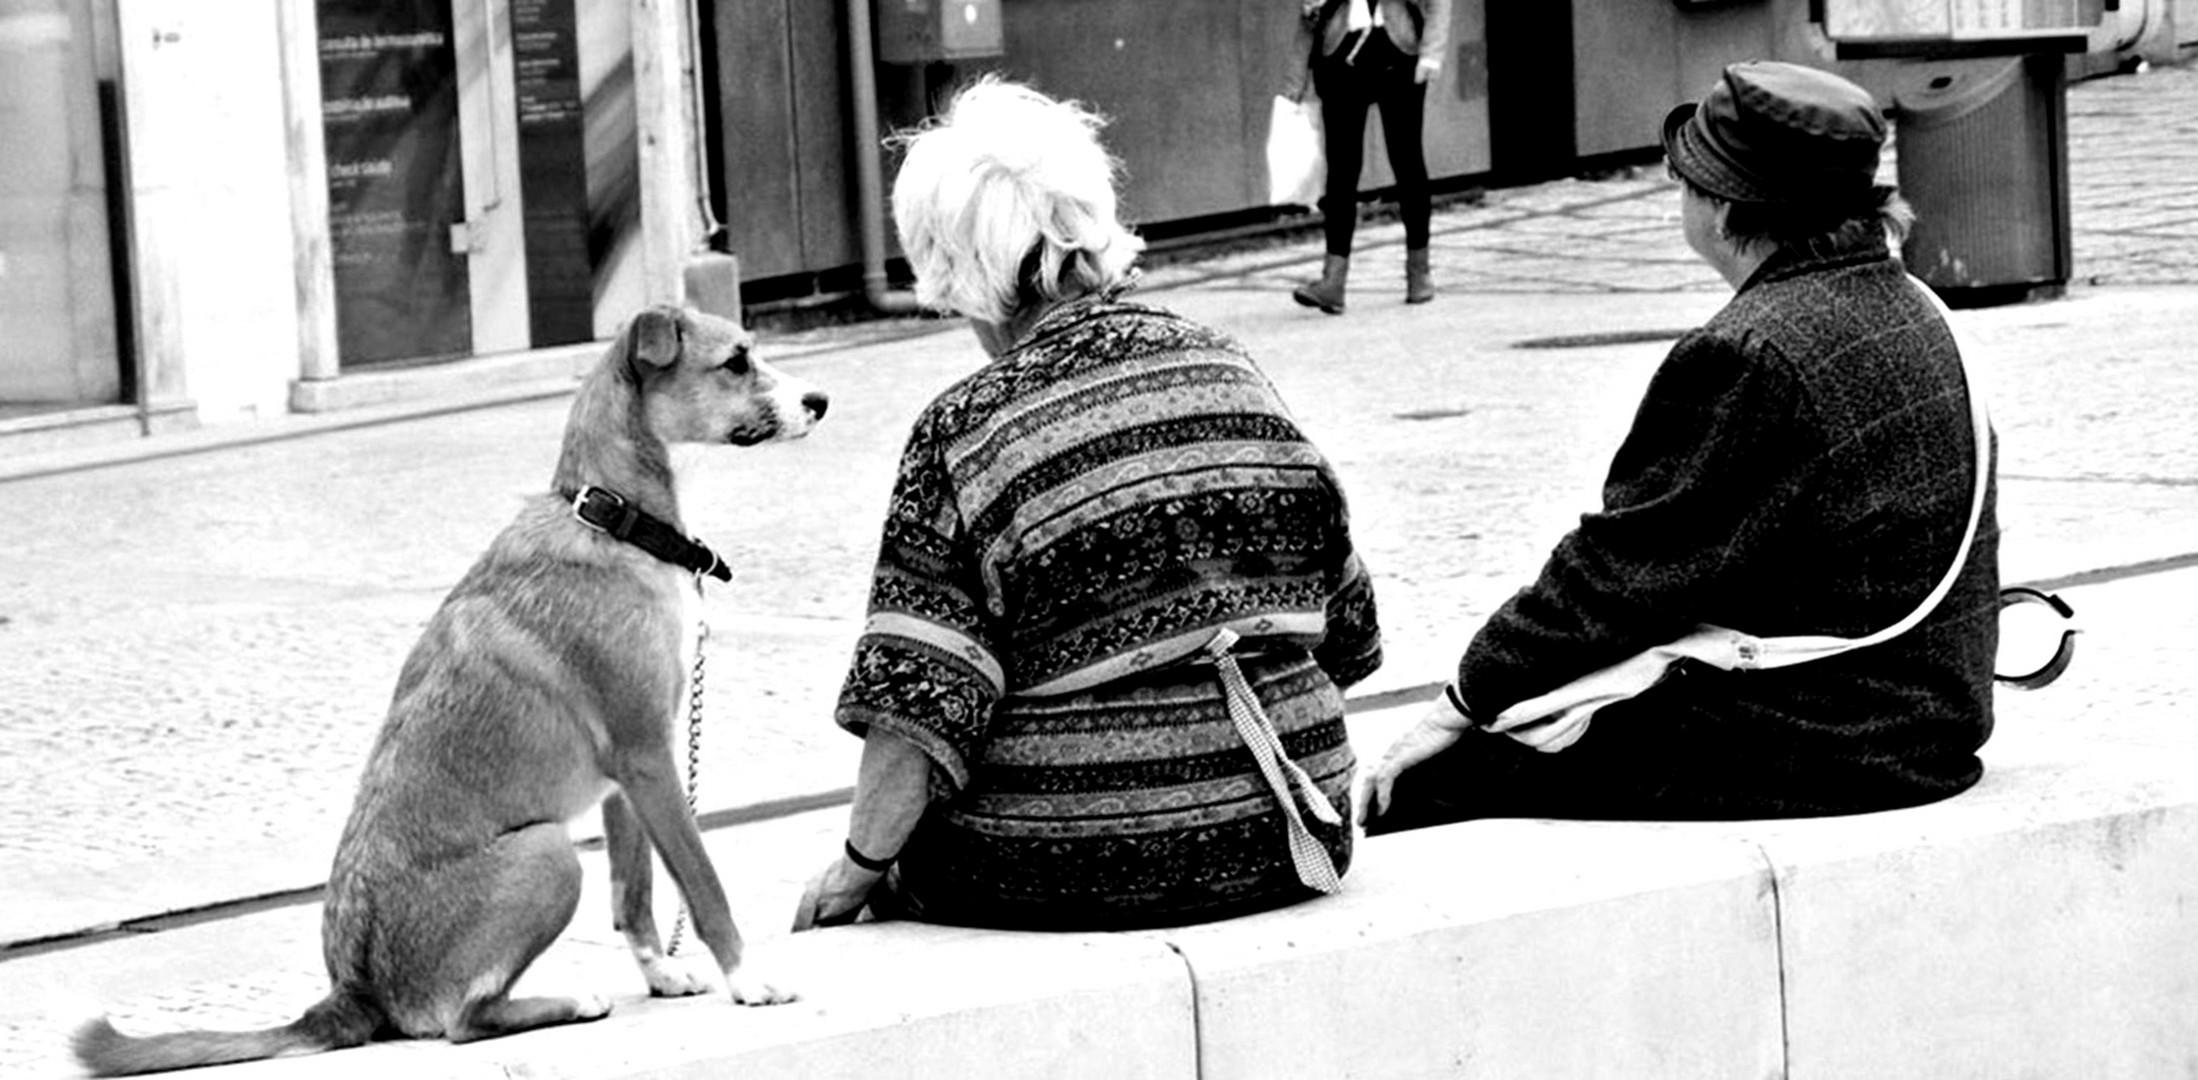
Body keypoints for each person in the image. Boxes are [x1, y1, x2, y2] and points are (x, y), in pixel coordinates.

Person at [791, 78, 1383, 932]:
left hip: (1071, 856)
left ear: (951, 268)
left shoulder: (964, 430)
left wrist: (857, 872)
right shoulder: (1228, 366)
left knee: (916, 864)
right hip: (1293, 822)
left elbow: (919, 706)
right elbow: (1350, 632)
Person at [1358, 61, 1999, 831]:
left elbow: (1616, 577)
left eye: (1687, 179)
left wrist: (1466, 700)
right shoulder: (1916, 306)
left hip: (1839, 733)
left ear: (1725, 205)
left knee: (1435, 787)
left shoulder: (1748, 354)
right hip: (1935, 711)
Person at [1291, 0, 1450, 314]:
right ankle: (1333, 281)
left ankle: (1419, 273)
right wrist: (1295, 79)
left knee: (1407, 162)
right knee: (1341, 171)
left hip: (1398, 48)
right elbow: (1308, 15)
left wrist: (1432, 52)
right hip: (1341, 52)